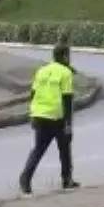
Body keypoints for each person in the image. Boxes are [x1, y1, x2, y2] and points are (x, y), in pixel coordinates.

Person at [19, 43, 80, 194]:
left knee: (38, 149)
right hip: (56, 116)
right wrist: (68, 124)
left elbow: (32, 94)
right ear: (65, 56)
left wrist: (32, 114)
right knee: (64, 148)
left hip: (39, 114)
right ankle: (67, 180)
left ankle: (25, 179)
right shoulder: (65, 73)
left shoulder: (42, 71)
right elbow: (67, 100)